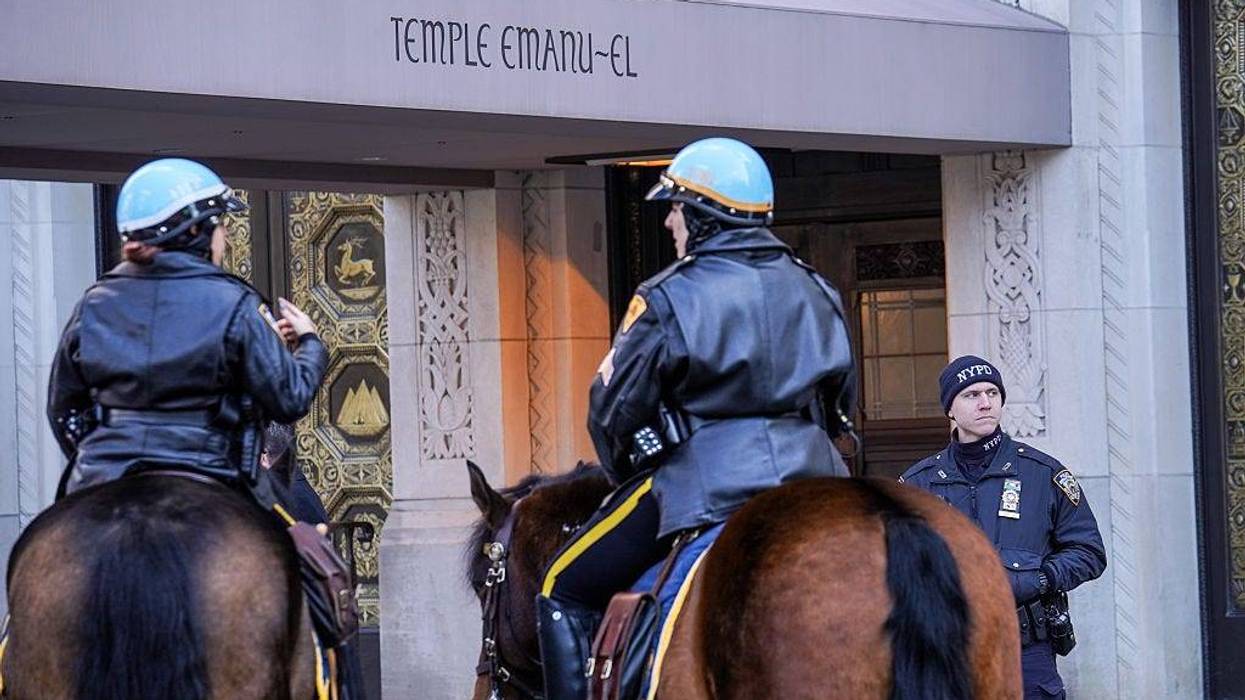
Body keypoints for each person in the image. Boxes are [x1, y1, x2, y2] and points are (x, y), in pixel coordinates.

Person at [535, 137, 857, 699]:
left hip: (705, 481)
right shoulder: (817, 287)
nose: (670, 224)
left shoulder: (668, 296)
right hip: (818, 481)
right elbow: (839, 404)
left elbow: (611, 414)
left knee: (562, 586)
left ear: (705, 217)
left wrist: (629, 461)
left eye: (677, 208)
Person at [47, 157, 327, 496]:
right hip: (213, 473)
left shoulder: (92, 303)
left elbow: (64, 411)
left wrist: (96, 461)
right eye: (219, 223)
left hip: (103, 475)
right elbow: (290, 399)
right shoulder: (236, 302)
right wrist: (310, 343)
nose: (224, 234)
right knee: (298, 543)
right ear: (194, 230)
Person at [899, 355, 1107, 700]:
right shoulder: (918, 485)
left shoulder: (1042, 473)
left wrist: (1042, 578)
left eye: (992, 393)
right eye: (971, 395)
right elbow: (897, 566)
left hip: (1026, 650)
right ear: (950, 408)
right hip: (947, 652)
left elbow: (1089, 551)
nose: (985, 403)